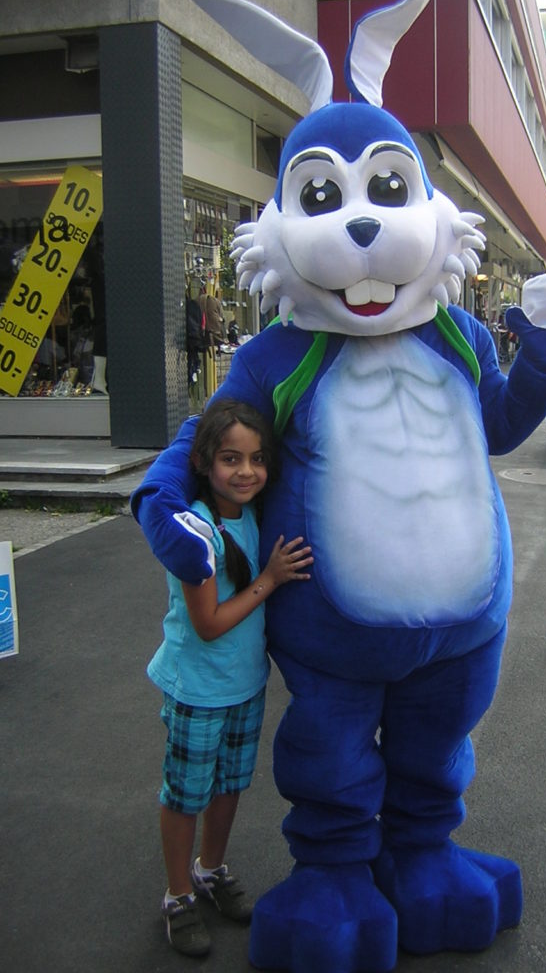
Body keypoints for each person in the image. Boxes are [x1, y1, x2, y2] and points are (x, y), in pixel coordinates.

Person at [147, 398, 313, 956]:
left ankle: (209, 869)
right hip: (199, 689)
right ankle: (177, 895)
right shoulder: (197, 530)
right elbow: (209, 623)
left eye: (257, 459)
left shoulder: (254, 515)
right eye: (230, 459)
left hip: (244, 685)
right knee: (185, 794)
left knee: (228, 786)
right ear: (203, 462)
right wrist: (269, 579)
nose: (246, 471)